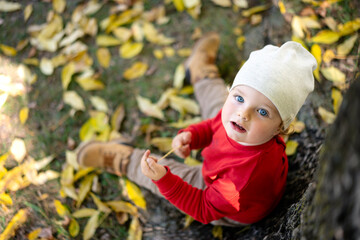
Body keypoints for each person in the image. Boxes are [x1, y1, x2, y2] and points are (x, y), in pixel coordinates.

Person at [77, 33, 317, 226]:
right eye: (240, 97)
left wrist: (165, 180)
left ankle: (126, 160)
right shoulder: (243, 122)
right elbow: (213, 125)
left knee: (165, 172)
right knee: (218, 105)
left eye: (263, 112)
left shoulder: (240, 182)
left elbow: (202, 207)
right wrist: (192, 136)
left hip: (222, 202)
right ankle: (202, 74)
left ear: (281, 128)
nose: (244, 113)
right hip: (229, 166)